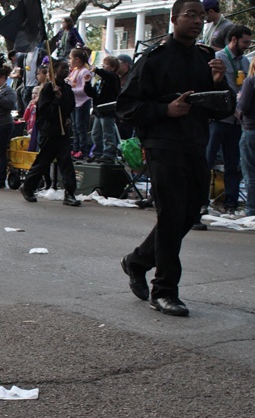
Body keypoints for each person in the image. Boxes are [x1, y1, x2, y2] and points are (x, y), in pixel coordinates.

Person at [116, 0, 235, 317]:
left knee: (189, 213)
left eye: (201, 16)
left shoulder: (206, 59)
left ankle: (138, 260)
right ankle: (165, 290)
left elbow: (223, 108)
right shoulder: (153, 59)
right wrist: (165, 110)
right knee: (170, 214)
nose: (197, 21)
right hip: (162, 144)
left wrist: (220, 84)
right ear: (174, 19)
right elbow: (126, 106)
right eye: (190, 15)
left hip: (196, 143)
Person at [20, 58, 83, 207]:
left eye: (67, 68)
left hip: (63, 132)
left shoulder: (67, 89)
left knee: (66, 163)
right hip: (50, 131)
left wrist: (67, 117)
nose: (66, 71)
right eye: (63, 68)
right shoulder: (48, 89)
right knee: (43, 162)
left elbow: (69, 107)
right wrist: (56, 100)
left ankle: (69, 193)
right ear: (54, 71)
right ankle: (28, 187)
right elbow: (45, 112)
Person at [205, 24, 251, 215]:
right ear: (233, 39)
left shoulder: (245, 63)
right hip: (219, 118)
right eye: (245, 42)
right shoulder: (218, 59)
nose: (247, 46)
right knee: (207, 159)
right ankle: (201, 200)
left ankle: (230, 202)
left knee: (233, 163)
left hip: (237, 120)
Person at [84, 55, 121, 162]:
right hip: (99, 111)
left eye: (106, 65)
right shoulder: (100, 81)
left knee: (107, 133)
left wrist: (97, 70)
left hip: (108, 110)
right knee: (96, 133)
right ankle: (97, 153)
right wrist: (87, 83)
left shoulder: (113, 78)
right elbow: (92, 94)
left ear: (113, 68)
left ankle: (109, 153)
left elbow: (108, 75)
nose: (103, 66)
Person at [67, 48, 92, 159]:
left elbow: (84, 90)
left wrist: (71, 90)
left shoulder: (85, 71)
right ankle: (75, 148)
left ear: (77, 59)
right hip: (75, 103)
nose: (69, 60)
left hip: (82, 103)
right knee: (74, 127)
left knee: (80, 127)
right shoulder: (75, 71)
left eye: (71, 58)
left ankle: (83, 150)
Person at [238, 58, 255, 217]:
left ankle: (251, 209)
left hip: (251, 128)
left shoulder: (250, 81)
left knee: (250, 173)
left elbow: (243, 106)